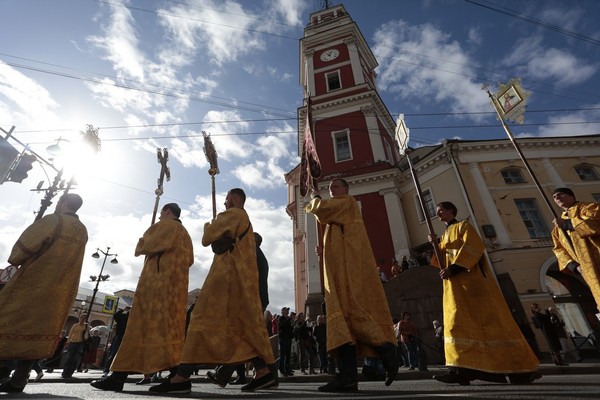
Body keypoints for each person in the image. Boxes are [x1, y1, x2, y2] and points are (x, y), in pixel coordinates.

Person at [149, 188, 276, 394]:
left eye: (226, 199)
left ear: (234, 199)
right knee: (239, 328)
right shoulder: (245, 221)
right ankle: (262, 372)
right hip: (238, 283)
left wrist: (211, 223)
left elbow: (207, 237)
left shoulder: (233, 214)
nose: (225, 203)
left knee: (199, 321)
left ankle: (181, 377)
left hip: (223, 282)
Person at [429, 201, 540, 385]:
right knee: (456, 323)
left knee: (487, 322)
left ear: (451, 210)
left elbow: (474, 248)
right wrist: (434, 244)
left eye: (441, 210)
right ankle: (460, 369)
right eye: (437, 211)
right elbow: (438, 261)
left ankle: (516, 368)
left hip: (471, 283)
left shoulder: (464, 226)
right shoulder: (444, 234)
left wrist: (454, 268)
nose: (438, 213)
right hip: (453, 285)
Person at [305, 178, 398, 393]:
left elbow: (320, 210)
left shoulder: (345, 202)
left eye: (336, 187)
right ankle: (348, 377)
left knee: (351, 317)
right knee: (343, 325)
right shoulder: (339, 213)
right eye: (330, 188)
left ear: (346, 189)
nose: (332, 190)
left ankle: (387, 349)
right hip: (338, 271)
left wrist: (315, 196)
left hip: (347, 273)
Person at [90, 203, 194, 392]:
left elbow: (145, 245)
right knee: (166, 332)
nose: (160, 215)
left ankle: (119, 377)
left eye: (162, 212)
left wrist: (145, 236)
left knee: (139, 329)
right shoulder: (185, 234)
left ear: (168, 212)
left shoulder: (166, 226)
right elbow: (190, 260)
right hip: (174, 293)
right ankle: (177, 377)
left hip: (155, 288)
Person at [0, 193, 88, 393]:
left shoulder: (53, 220)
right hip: (59, 291)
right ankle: (20, 378)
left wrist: (15, 259)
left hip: (33, 283)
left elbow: (21, 250)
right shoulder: (82, 230)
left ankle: (2, 369)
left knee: (8, 320)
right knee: (37, 332)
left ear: (63, 203)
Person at [551, 187, 600, 309]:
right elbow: (559, 250)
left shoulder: (589, 207)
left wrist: (568, 223)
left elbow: (595, 221)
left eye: (560, 194)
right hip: (586, 268)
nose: (557, 198)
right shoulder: (557, 228)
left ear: (572, 196)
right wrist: (574, 266)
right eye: (554, 197)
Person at [102, 306, 130, 376]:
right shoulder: (124, 316)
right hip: (120, 336)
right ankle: (107, 370)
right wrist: (123, 311)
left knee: (117, 354)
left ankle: (113, 371)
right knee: (113, 354)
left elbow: (116, 315)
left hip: (125, 337)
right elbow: (116, 316)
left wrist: (123, 311)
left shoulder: (129, 316)